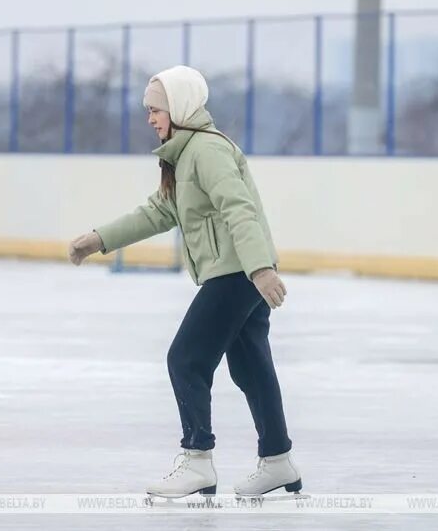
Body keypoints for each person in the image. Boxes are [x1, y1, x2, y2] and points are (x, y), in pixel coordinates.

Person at [67, 66, 300, 499]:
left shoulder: (206, 151)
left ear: (179, 107)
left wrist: (259, 269)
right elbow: (157, 212)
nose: (151, 119)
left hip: (236, 272)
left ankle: (197, 461)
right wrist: (100, 239)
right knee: (251, 368)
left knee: (186, 359)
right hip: (238, 271)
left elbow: (239, 208)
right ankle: (277, 460)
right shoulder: (184, 154)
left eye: (156, 109)